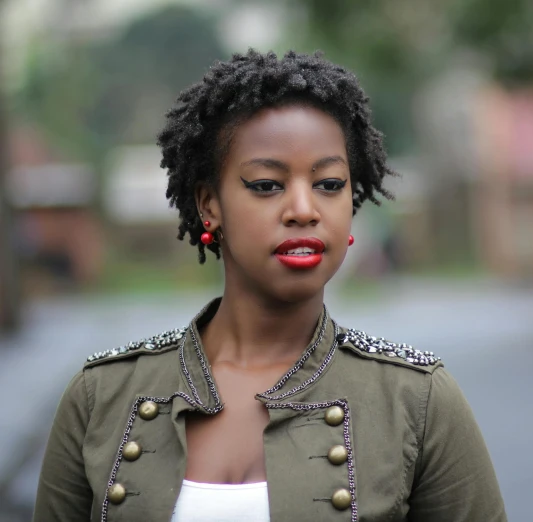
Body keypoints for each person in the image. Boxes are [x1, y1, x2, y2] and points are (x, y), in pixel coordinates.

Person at [33, 50, 507, 522]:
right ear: (209, 205)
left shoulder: (417, 398)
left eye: (329, 183)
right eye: (266, 184)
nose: (304, 208)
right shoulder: (102, 395)